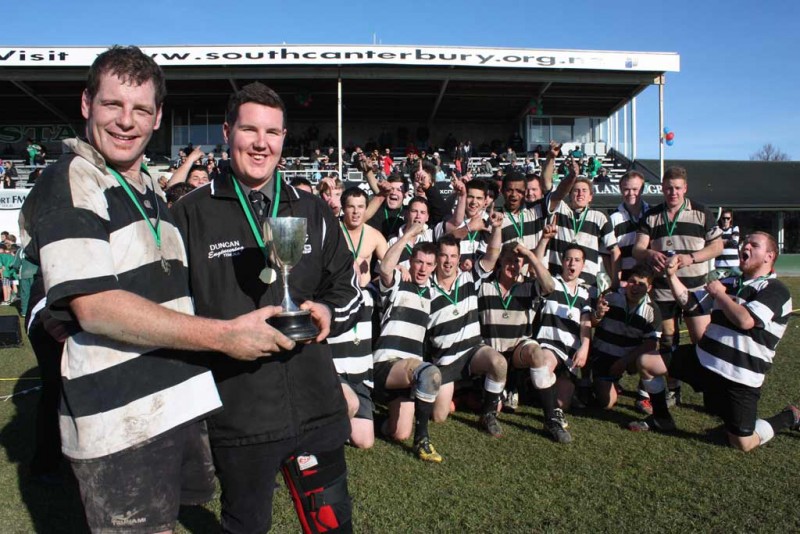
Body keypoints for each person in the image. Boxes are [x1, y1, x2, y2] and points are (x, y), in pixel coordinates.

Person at [21, 45, 285, 534]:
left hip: (169, 408)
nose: (126, 121)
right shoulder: (73, 180)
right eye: (112, 105)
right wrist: (225, 336)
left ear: (158, 116)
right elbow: (96, 307)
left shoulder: (146, 187)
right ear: (86, 104)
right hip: (121, 423)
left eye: (141, 109)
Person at [171, 81, 361, 533]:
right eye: (250, 130)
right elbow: (172, 312)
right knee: (246, 526)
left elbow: (346, 283)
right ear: (226, 132)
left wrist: (329, 312)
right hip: (241, 417)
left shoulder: (312, 209)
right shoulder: (189, 215)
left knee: (332, 526)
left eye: (272, 133)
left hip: (316, 406)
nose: (261, 143)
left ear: (283, 138)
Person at [628, 232, 799, 452]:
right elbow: (690, 304)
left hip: (740, 375)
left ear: (769, 256)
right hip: (704, 359)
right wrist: (671, 276)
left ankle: (789, 417)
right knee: (646, 362)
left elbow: (746, 320)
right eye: (745, 242)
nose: (745, 246)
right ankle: (661, 418)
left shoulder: (775, 290)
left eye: (754, 245)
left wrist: (720, 294)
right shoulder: (730, 281)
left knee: (742, 443)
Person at [633, 166, 723, 404]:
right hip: (663, 288)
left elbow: (717, 246)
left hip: (696, 289)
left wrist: (691, 258)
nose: (672, 192)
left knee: (701, 339)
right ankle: (673, 387)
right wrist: (650, 254)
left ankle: (712, 390)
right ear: (662, 188)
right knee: (667, 340)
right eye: (668, 188)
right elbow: (638, 248)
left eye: (677, 188)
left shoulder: (702, 212)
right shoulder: (652, 215)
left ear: (685, 189)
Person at [427, 223, 507, 437]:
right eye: (443, 256)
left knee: (499, 363)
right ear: (436, 258)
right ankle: (461, 393)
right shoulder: (426, 288)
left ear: (459, 258)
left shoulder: (469, 277)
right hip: (445, 359)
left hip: (473, 350)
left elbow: (492, 255)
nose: (448, 261)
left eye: (453, 256)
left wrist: (497, 228)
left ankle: (488, 415)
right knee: (439, 416)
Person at [374, 226, 444, 462]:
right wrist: (406, 237)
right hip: (386, 364)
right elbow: (384, 267)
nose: (422, 268)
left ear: (434, 268)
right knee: (430, 373)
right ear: (411, 261)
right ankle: (422, 440)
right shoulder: (398, 283)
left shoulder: (433, 295)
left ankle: (369, 419)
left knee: (398, 432)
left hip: (410, 373)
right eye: (418, 262)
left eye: (428, 264)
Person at [478, 240, 555, 413]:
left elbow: (550, 286)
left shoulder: (528, 286)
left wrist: (530, 255)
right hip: (492, 353)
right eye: (508, 260)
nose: (512, 265)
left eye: (517, 261)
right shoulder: (485, 285)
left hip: (518, 353)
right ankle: (502, 392)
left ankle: (551, 415)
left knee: (536, 352)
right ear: (500, 261)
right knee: (495, 408)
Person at [527, 244, 593, 443]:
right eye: (568, 259)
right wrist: (545, 241)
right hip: (549, 343)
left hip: (571, 352)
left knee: (563, 402)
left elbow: (586, 323)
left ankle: (534, 390)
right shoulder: (551, 284)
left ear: (583, 265)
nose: (572, 263)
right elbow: (534, 268)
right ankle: (551, 416)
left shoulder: (584, 293)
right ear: (562, 262)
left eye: (577, 260)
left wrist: (585, 347)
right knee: (545, 365)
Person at [589, 263, 661, 409]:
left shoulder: (652, 310)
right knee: (607, 403)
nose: (635, 287)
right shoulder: (610, 296)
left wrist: (623, 362)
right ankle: (596, 382)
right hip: (603, 354)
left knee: (654, 357)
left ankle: (644, 394)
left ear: (649, 288)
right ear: (626, 282)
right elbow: (591, 324)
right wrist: (598, 315)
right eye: (632, 282)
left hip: (629, 359)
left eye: (641, 284)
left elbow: (651, 344)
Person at [547, 177, 619, 289]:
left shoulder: (599, 217)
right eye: (576, 190)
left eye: (584, 190)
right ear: (569, 195)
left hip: (587, 285)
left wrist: (615, 283)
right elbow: (548, 187)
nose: (580, 194)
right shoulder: (560, 210)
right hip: (558, 281)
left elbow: (615, 251)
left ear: (591, 197)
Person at [716, 209, 740, 273]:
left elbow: (734, 243)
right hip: (719, 263)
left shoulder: (734, 228)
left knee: (735, 282)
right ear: (721, 219)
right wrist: (728, 240)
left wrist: (719, 241)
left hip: (733, 264)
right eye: (723, 218)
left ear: (731, 219)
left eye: (728, 218)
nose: (725, 220)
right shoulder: (717, 230)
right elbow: (713, 243)